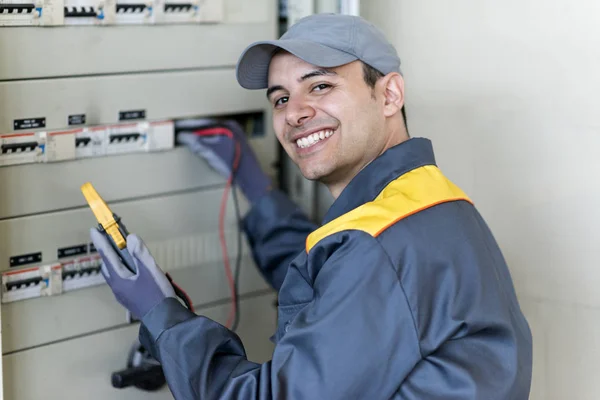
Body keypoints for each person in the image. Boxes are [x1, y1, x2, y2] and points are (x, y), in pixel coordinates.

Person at [90, 13, 533, 399]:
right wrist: (258, 191)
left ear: (390, 94)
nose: (294, 113)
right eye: (280, 98)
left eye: (320, 85)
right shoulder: (424, 200)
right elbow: (330, 285)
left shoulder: (379, 248)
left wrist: (162, 317)